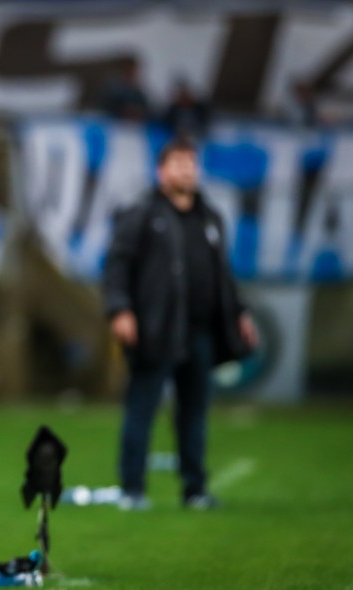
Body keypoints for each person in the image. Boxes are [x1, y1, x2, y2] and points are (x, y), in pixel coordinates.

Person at [103, 138, 258, 511]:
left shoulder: (210, 217)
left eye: (191, 163)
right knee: (142, 407)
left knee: (194, 413)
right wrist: (120, 309)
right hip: (155, 329)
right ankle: (133, 489)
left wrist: (239, 311)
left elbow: (222, 274)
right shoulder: (142, 214)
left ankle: (195, 489)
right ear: (161, 171)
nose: (186, 170)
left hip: (200, 332)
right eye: (178, 163)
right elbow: (117, 264)